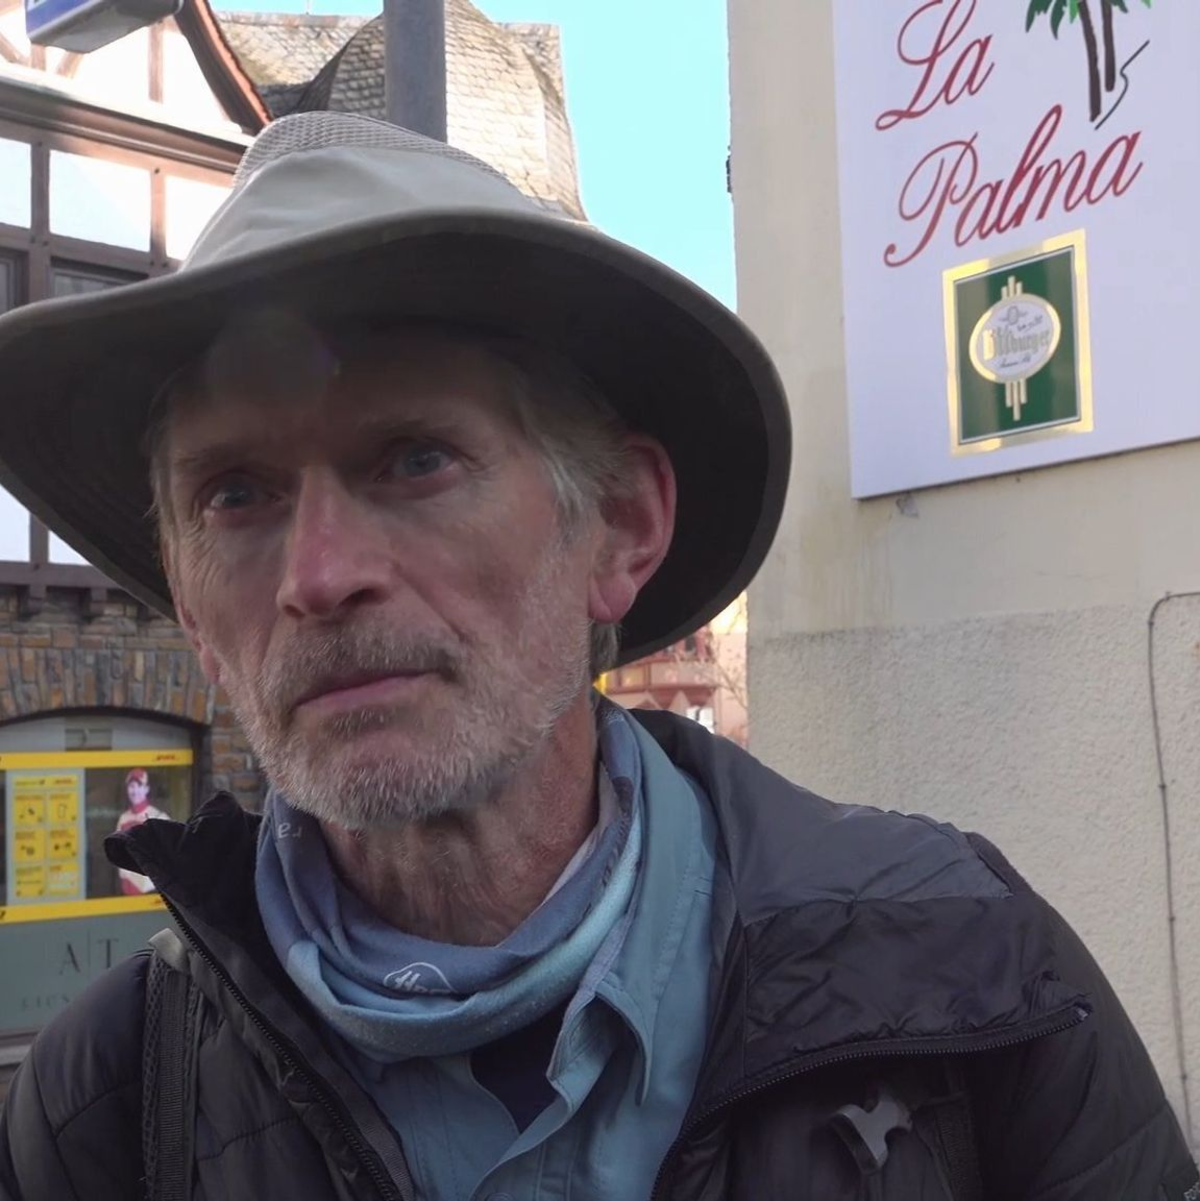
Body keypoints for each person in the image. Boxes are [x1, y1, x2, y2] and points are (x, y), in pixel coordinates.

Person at [0, 112, 1193, 1201]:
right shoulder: (109, 1101)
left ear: (619, 526)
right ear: (197, 622)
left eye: (414, 459)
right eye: (237, 494)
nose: (317, 575)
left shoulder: (960, 967)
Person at [113, 768, 169, 895]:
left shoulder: (159, 817)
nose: (134, 791)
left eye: (139, 786)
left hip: (152, 892)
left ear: (146, 789)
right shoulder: (123, 818)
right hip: (127, 890)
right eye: (131, 786)